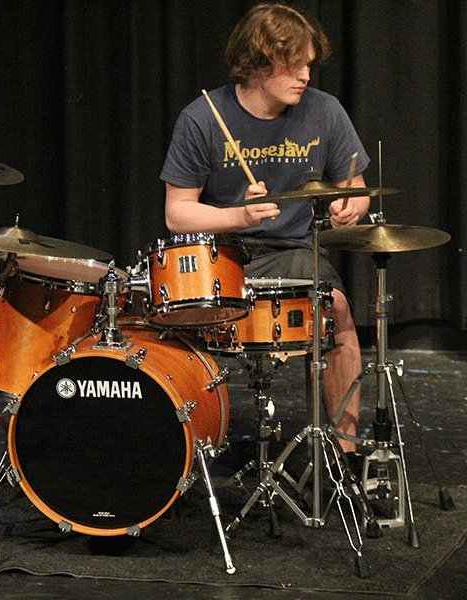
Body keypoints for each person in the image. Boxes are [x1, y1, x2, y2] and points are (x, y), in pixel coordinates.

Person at [160, 3, 369, 462]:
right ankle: (179, 456)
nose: (305, 76)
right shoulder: (203, 118)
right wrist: (240, 216)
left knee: (337, 311)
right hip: (221, 252)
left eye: (309, 64)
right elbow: (178, 214)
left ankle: (345, 455)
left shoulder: (325, 112)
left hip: (292, 249)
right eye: (295, 65)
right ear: (258, 63)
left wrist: (349, 206)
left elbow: (355, 185)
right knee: (172, 328)